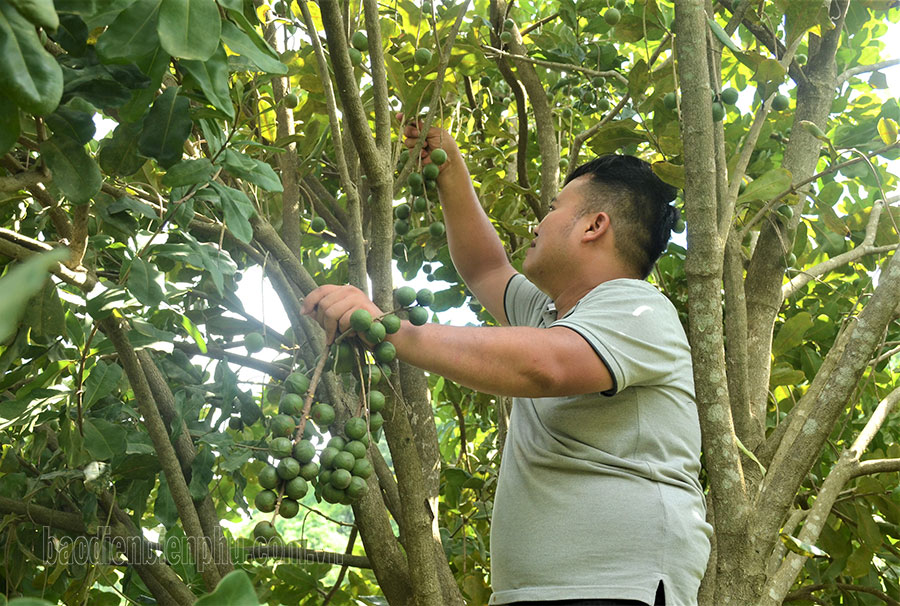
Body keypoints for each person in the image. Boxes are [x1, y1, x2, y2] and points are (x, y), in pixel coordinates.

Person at [301, 121, 712, 606]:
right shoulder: (549, 314)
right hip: (539, 593)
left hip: (616, 586)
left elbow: (547, 367)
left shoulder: (638, 308)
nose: (540, 222)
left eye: (555, 208)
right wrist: (448, 164)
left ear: (594, 225)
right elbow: (485, 268)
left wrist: (393, 331)